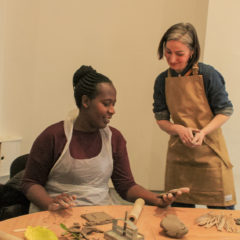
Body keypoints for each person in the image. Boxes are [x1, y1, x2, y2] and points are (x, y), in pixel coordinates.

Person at [22, 65, 189, 212]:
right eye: (106, 103)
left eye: (114, 104)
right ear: (86, 101)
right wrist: (50, 203)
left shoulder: (114, 138)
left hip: (98, 217)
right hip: (54, 217)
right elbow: (30, 182)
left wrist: (156, 199)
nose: (112, 110)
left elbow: (126, 186)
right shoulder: (53, 136)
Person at [153, 22, 236, 209]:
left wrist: (203, 132)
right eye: (168, 52)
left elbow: (225, 111)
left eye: (179, 54)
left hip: (210, 153)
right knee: (178, 220)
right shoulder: (162, 80)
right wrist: (178, 128)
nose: (172, 59)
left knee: (222, 218)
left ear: (192, 52)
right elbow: (161, 118)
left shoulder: (208, 75)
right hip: (180, 156)